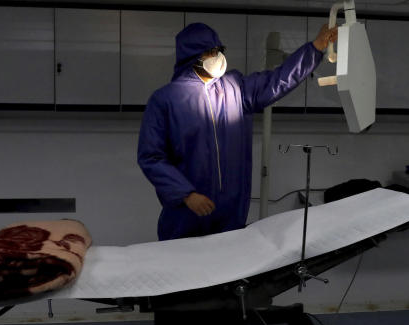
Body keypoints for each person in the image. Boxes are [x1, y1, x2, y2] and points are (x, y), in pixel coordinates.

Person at [138, 22, 336, 241]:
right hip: (185, 217)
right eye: (209, 52)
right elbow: (152, 157)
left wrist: (315, 48)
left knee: (229, 271)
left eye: (218, 50)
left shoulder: (235, 88)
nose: (216, 56)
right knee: (187, 271)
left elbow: (278, 79)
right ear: (191, 56)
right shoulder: (166, 100)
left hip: (230, 218)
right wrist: (186, 194)